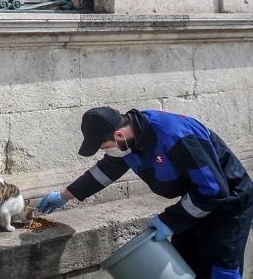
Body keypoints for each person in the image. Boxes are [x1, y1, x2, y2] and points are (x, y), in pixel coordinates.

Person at [37, 107, 253, 279]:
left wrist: (170, 220)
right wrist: (65, 195)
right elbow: (105, 171)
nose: (107, 152)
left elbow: (214, 190)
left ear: (119, 134)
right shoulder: (128, 142)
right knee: (185, 262)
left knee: (220, 268)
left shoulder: (174, 134)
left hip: (228, 203)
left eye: (105, 147)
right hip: (193, 202)